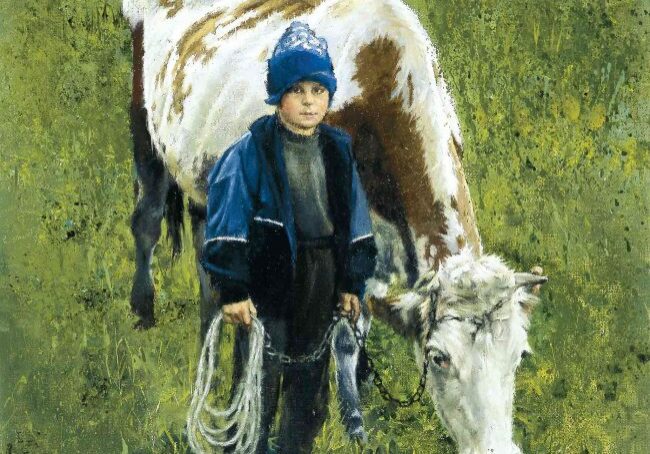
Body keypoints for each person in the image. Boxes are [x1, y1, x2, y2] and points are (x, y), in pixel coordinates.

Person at [201, 21, 377, 453]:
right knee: (259, 387)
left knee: (310, 392)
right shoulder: (251, 152)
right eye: (297, 90)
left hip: (321, 280)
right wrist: (234, 289)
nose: (309, 102)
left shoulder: (337, 151)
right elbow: (228, 218)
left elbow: (355, 217)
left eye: (318, 91)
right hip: (269, 285)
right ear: (278, 94)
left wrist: (352, 282)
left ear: (329, 96)